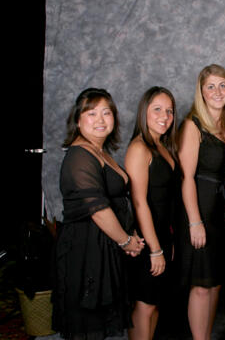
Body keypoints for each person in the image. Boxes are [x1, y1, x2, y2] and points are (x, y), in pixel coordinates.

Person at [53, 88, 145, 339]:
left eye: (107, 113)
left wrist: (130, 234)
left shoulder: (100, 151)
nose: (100, 120)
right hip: (86, 252)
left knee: (101, 328)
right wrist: (126, 241)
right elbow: (99, 210)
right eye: (91, 113)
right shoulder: (79, 156)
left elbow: (120, 201)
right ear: (78, 119)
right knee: (88, 328)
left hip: (106, 246)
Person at [178, 64, 225, 340]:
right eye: (210, 86)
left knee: (215, 284)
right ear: (201, 92)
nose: (217, 91)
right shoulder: (193, 125)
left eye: (222, 85)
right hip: (199, 210)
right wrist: (194, 221)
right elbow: (187, 177)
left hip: (221, 213)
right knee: (201, 285)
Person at [125, 87, 181, 340]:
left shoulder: (163, 146)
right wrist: (155, 249)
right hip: (148, 239)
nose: (164, 116)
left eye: (169, 111)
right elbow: (139, 203)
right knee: (145, 305)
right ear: (143, 112)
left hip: (164, 235)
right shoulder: (140, 148)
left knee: (156, 302)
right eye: (157, 109)